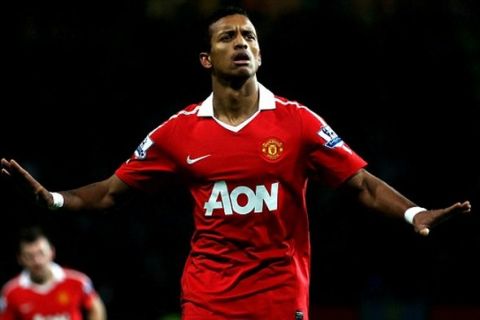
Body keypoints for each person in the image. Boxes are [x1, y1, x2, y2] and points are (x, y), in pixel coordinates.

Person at [0, 6, 471, 320]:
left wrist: (414, 212)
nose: (242, 42)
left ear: (260, 53)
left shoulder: (298, 122)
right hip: (207, 294)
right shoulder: (178, 131)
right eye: (228, 37)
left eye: (249, 36)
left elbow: (361, 185)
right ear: (207, 59)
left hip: (280, 291)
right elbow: (109, 192)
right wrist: (56, 199)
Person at [0, 226, 107, 320]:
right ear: (20, 259)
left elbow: (96, 309)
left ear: (51, 252)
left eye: (41, 253)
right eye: (29, 256)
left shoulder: (78, 281)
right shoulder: (10, 292)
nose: (37, 261)